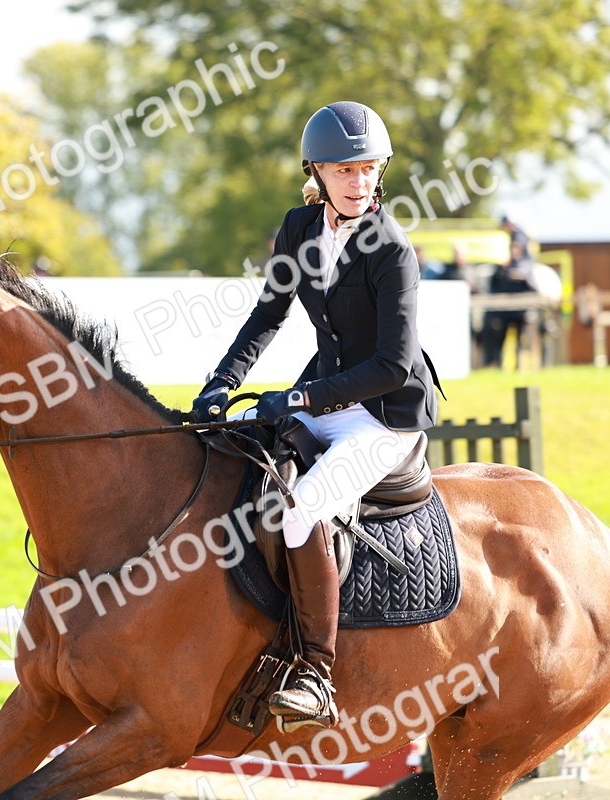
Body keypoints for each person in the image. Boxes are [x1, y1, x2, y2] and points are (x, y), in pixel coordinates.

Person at [190, 101, 440, 729]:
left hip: (384, 414)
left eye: (368, 170)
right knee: (244, 461)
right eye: (345, 170)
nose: (359, 182)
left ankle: (316, 672)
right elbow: (268, 315)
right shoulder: (300, 229)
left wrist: (299, 399)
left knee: (303, 508)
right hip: (329, 395)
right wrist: (222, 384)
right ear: (318, 173)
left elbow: (392, 363)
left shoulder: (393, 249)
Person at [480, 240, 536, 367]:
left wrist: (522, 276)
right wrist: (503, 271)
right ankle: (499, 365)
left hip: (520, 312)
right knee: (501, 340)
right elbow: (494, 286)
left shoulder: (526, 266)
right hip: (504, 312)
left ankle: (519, 367)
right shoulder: (503, 267)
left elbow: (533, 286)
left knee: (521, 342)